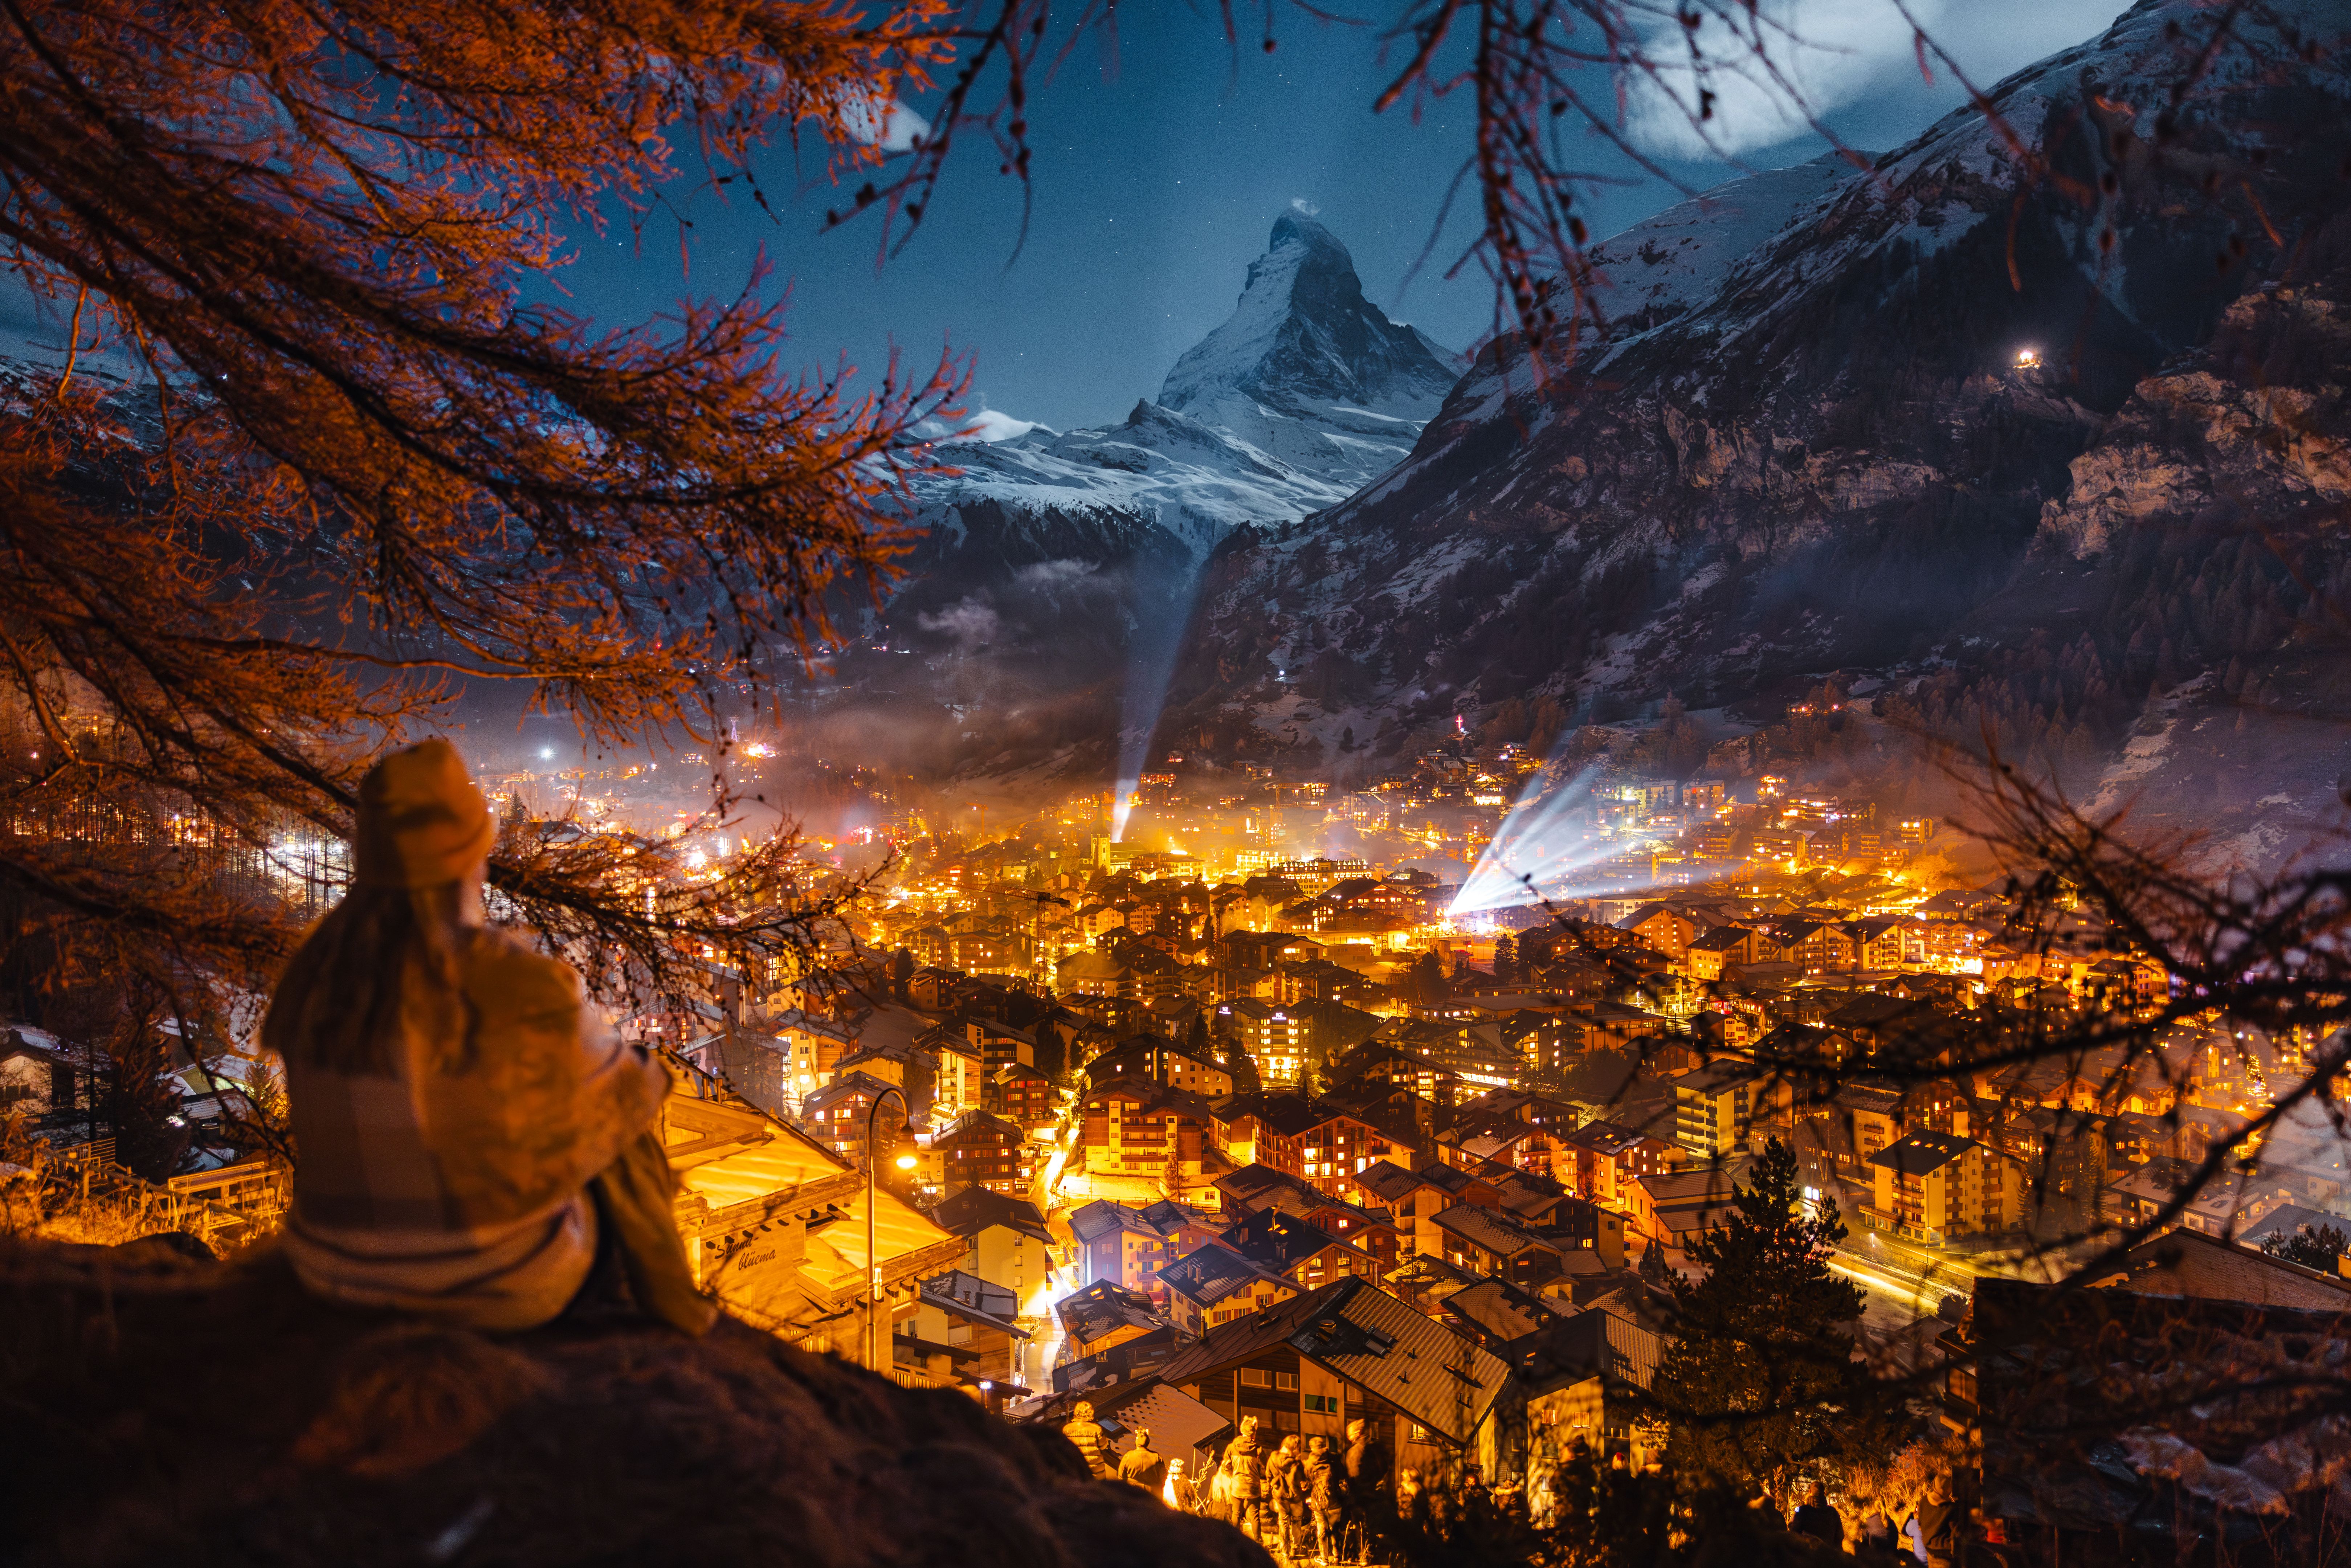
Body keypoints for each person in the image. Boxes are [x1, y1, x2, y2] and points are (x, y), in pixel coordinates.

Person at [268, 740, 713, 1334]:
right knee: (625, 1104)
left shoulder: (312, 976)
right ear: (470, 857)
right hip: (499, 1286)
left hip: (332, 1275)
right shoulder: (508, 980)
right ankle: (674, 1306)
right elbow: (628, 1099)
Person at [1062, 1400, 1115, 1479]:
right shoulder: (1096, 1429)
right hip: (1095, 1470)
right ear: (1091, 1413)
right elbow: (1103, 1446)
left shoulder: (1067, 1429)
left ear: (1076, 1412)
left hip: (1076, 1468)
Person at [1791, 1481, 1844, 1551]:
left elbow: (1794, 1534)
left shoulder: (1803, 1511)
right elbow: (1840, 1536)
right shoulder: (1833, 1512)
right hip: (1829, 1555)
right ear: (1824, 1493)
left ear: (1810, 1492)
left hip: (1809, 1555)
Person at [1119, 1426, 1169, 1493]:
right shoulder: (1156, 1457)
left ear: (1137, 1441)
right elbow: (1163, 1477)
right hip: (1151, 1493)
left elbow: (1121, 1476)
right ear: (1148, 1442)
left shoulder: (1128, 1456)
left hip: (1132, 1492)